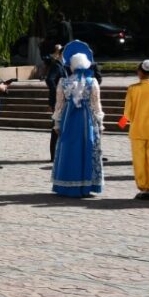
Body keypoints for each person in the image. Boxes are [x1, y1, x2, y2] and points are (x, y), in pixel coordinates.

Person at [51, 40, 103, 196]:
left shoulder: (63, 82)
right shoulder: (92, 82)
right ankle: (87, 185)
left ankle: (66, 185)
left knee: (68, 149)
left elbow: (59, 105)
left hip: (69, 119)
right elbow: (96, 105)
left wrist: (57, 124)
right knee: (87, 147)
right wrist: (100, 123)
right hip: (87, 120)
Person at [124, 59, 149, 200]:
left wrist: (122, 124)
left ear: (139, 72)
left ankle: (144, 188)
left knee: (139, 161)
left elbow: (127, 114)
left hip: (137, 130)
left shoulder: (133, 89)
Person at [44, 42, 67, 161]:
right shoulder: (57, 65)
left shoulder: (63, 66)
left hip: (61, 101)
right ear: (62, 54)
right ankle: (53, 155)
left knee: (58, 127)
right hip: (58, 102)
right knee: (55, 127)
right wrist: (58, 92)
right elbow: (49, 79)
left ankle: (58, 154)